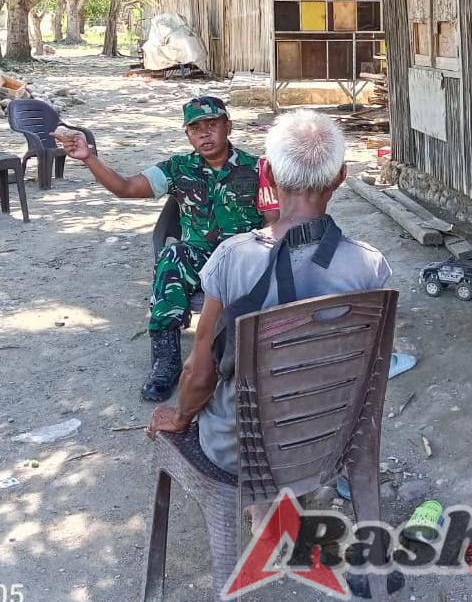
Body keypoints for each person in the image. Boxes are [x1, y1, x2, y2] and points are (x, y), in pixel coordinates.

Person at [145, 109, 390, 483]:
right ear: (341, 177)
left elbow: (199, 373)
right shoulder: (370, 265)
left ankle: (260, 508)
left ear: (269, 175)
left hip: (240, 450)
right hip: (329, 440)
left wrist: (179, 417)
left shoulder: (232, 257)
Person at [53, 96, 274, 402]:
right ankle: (165, 359)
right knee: (172, 256)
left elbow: (274, 223)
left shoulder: (259, 169)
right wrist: (89, 157)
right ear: (187, 134)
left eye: (212, 125)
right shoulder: (177, 168)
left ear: (228, 126)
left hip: (242, 257)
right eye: (196, 128)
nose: (204, 134)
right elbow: (125, 188)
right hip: (198, 257)